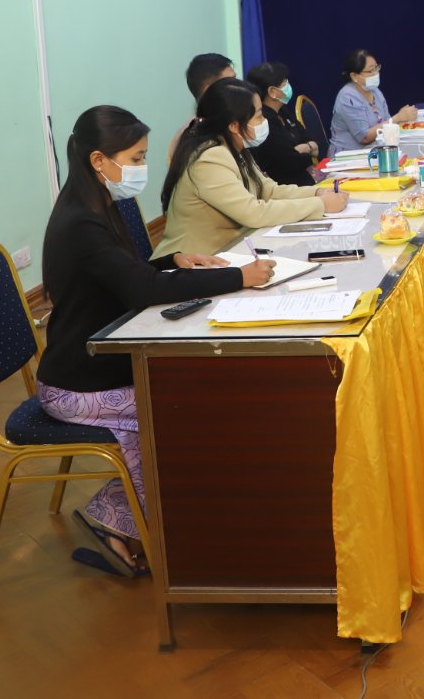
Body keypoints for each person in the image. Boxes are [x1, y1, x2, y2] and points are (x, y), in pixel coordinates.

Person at [38, 105, 275, 577]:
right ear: (99, 160)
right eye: (136, 158)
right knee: (185, 410)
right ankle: (134, 524)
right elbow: (142, 291)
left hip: (102, 360)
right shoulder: (81, 221)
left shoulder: (96, 203)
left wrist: (173, 261)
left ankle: (125, 519)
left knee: (195, 401)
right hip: (78, 381)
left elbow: (127, 276)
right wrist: (238, 277)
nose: (143, 167)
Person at [157, 78, 348, 257]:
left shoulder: (235, 147)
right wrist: (320, 205)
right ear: (234, 125)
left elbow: (268, 191)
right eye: (258, 116)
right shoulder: (209, 158)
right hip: (196, 261)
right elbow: (253, 213)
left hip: (231, 250)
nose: (264, 121)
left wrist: (316, 193)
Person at [245, 61, 318, 187]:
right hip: (286, 186)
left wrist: (307, 148)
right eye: (284, 82)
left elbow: (310, 139)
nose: (288, 84)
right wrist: (309, 150)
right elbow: (291, 162)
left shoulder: (282, 111)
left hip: (304, 179)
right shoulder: (265, 121)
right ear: (272, 91)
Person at [329, 49, 417, 155]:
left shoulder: (375, 91)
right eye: (371, 71)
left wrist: (400, 119)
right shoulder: (347, 97)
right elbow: (364, 137)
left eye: (376, 68)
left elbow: (386, 122)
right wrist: (398, 118)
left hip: (374, 150)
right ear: (354, 76)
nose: (376, 73)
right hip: (348, 155)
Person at [167, 53, 235, 163]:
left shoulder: (225, 124)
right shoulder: (192, 137)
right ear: (209, 90)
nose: (239, 86)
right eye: (231, 82)